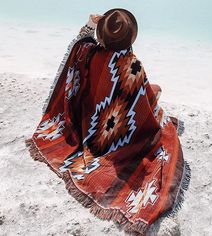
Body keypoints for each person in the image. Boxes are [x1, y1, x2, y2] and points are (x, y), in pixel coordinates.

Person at [26, 8, 190, 235]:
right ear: (132, 38)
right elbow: (141, 108)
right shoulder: (132, 66)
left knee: (143, 91)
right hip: (111, 128)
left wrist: (89, 27)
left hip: (89, 118)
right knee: (153, 91)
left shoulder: (89, 54)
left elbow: (76, 46)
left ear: (101, 36)